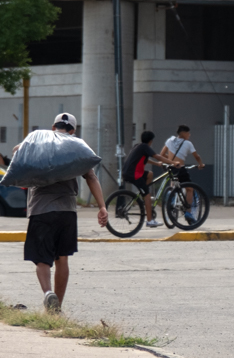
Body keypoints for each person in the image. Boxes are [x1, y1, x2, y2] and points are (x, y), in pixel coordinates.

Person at [12, 112, 108, 312]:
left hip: (41, 210)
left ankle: (48, 293)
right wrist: (102, 206)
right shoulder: (76, 147)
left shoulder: (40, 143)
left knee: (41, 259)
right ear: (72, 130)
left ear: (53, 127)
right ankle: (57, 308)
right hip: (67, 212)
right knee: (62, 257)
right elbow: (91, 176)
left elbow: (16, 151)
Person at [122, 130, 178, 228]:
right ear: (151, 141)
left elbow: (146, 159)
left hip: (129, 172)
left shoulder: (138, 146)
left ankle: (145, 198)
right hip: (133, 174)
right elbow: (158, 156)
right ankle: (150, 220)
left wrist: (157, 164)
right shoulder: (145, 147)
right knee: (147, 195)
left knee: (150, 174)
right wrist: (173, 163)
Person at [159, 125, 206, 225]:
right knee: (190, 189)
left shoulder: (170, 140)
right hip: (180, 168)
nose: (189, 135)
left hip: (170, 167)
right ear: (183, 133)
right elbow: (197, 156)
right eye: (188, 133)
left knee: (173, 185)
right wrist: (201, 164)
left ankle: (171, 199)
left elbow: (162, 155)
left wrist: (170, 159)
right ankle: (188, 213)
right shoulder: (188, 143)